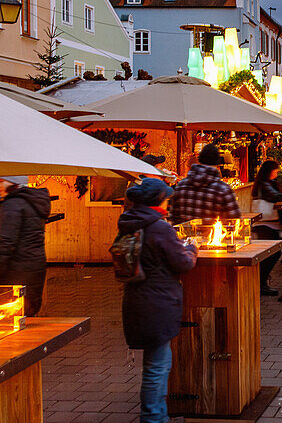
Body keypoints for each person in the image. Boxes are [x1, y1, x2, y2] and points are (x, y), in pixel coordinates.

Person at [118, 177, 198, 423]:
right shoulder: (159, 227)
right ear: (157, 200)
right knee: (157, 368)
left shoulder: (129, 223)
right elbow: (182, 263)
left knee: (155, 365)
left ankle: (157, 416)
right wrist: (191, 248)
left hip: (137, 300)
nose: (169, 200)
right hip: (158, 303)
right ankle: (152, 418)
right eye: (166, 197)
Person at [0, 176, 51, 317]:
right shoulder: (31, 202)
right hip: (34, 267)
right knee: (27, 315)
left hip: (15, 271)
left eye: (2, 181)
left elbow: (6, 242)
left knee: (11, 318)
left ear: (12, 183)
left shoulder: (12, 205)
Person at [169, 144, 243, 224]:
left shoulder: (181, 186)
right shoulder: (222, 189)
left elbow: (173, 218)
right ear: (216, 164)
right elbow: (234, 221)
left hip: (184, 235)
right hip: (213, 235)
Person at [251, 160, 282, 297]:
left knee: (272, 253)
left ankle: (261, 282)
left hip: (266, 223)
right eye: (275, 170)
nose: (277, 173)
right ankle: (260, 283)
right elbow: (279, 197)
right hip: (265, 223)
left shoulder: (264, 183)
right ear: (269, 171)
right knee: (271, 254)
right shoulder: (264, 185)